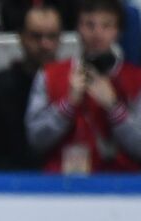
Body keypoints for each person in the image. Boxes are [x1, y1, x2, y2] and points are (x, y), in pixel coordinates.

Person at [26, 0, 141, 172]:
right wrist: (68, 105)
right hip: (60, 186)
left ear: (118, 32)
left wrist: (114, 108)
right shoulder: (50, 75)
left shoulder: (136, 80)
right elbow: (35, 139)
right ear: (78, 28)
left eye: (106, 25)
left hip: (121, 189)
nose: (97, 33)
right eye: (89, 25)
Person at [0, 3, 62, 170]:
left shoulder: (73, 86)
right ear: (21, 37)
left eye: (52, 37)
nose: (45, 45)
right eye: (36, 37)